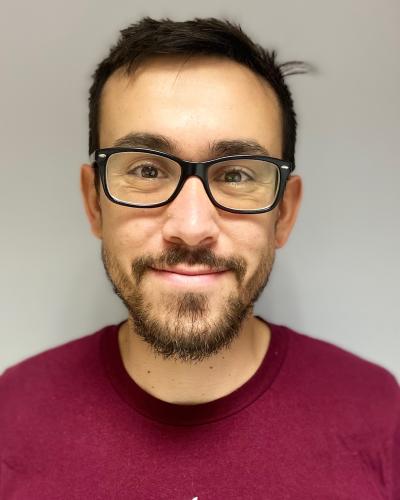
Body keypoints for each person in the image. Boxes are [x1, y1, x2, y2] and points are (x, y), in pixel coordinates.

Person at [0, 16, 399, 499]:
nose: (191, 228)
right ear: (94, 203)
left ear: (284, 214)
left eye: (235, 176)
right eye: (147, 169)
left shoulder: (381, 416)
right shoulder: (11, 417)